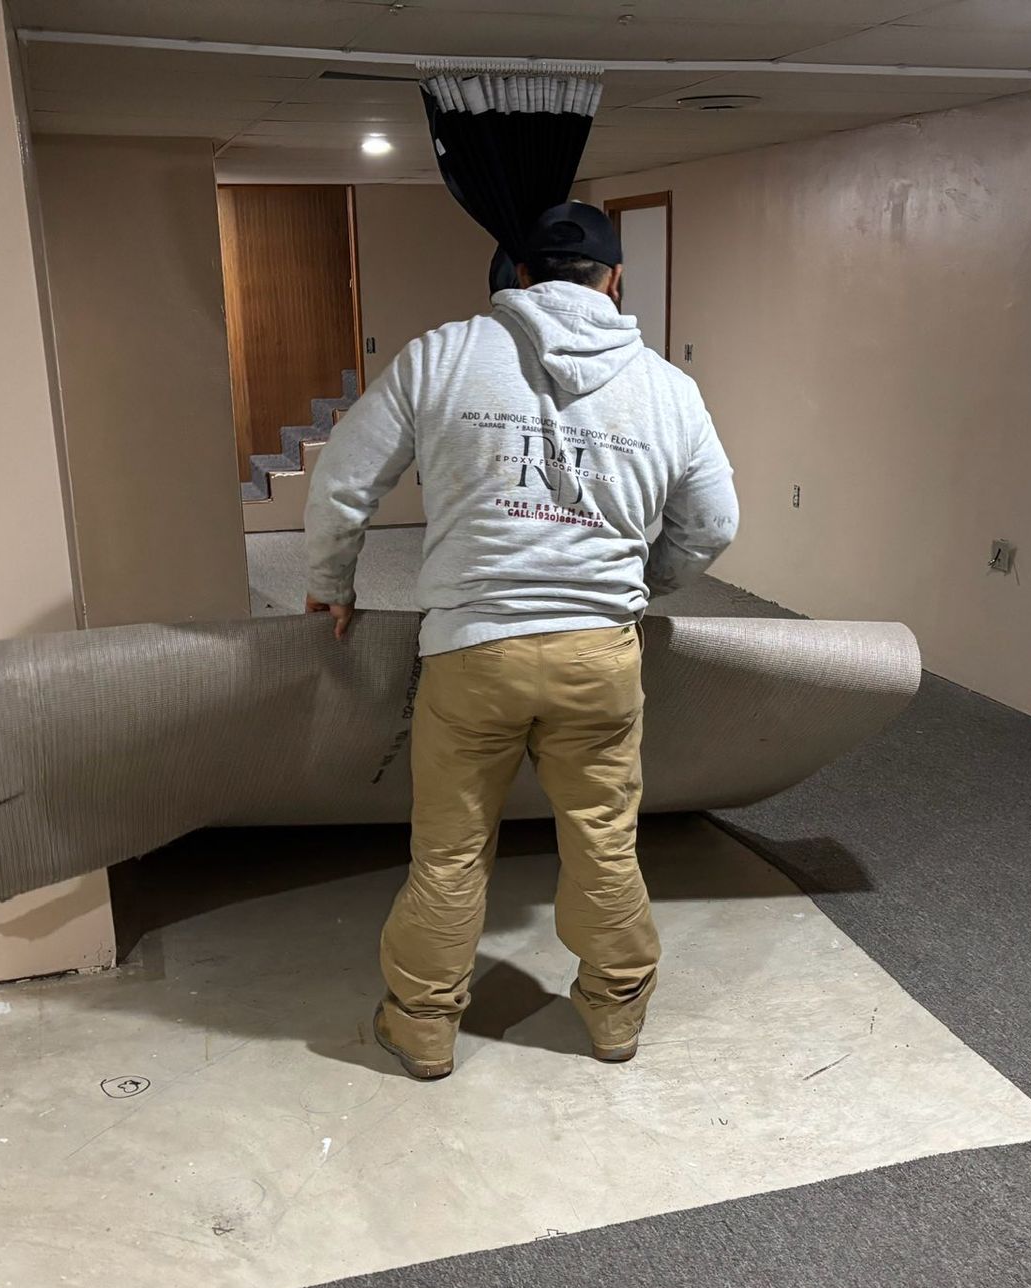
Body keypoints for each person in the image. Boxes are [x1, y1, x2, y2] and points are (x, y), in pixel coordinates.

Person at [302, 201, 739, 1081]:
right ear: (614, 281)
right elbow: (714, 523)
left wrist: (329, 583)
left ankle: (422, 1027)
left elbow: (343, 482)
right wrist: (637, 587)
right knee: (603, 838)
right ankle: (614, 1018)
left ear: (519, 275)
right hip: (598, 658)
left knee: (452, 850)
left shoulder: (445, 355)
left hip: (473, 651)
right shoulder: (668, 388)